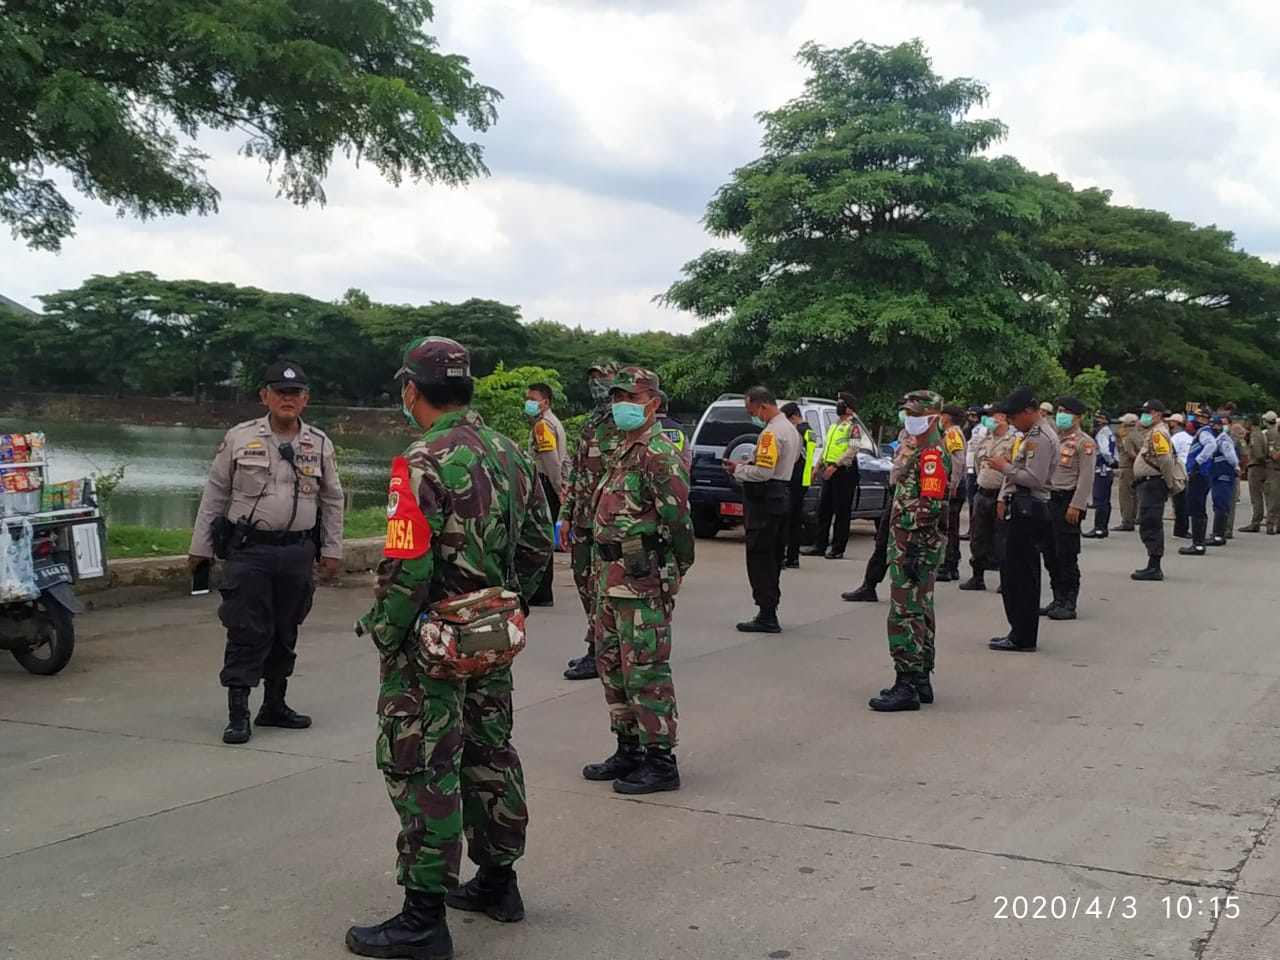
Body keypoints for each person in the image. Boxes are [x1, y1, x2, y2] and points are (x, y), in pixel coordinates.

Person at [346, 338, 553, 959]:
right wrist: (500, 604)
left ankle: (423, 918)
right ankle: (498, 883)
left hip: (431, 645)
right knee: (490, 753)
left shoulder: (420, 461)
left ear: (412, 390)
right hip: (488, 638)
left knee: (423, 765)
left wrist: (386, 631)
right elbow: (542, 542)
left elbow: (406, 567)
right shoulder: (511, 453)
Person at [190, 360, 344, 745]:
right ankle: (238, 712)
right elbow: (215, 494)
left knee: (285, 629)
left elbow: (333, 499)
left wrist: (332, 549)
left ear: (305, 399)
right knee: (246, 628)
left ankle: (274, 704)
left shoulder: (320, 443)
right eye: (280, 393)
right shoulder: (239, 438)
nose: (287, 399)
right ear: (265, 396)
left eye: (295, 394)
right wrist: (201, 549)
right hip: (250, 551)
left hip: (296, 552)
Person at [581, 367, 694, 795]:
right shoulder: (621, 450)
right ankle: (628, 748)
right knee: (612, 666)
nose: (621, 403)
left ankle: (661, 760)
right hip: (609, 578)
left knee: (645, 670)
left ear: (654, 404)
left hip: (643, 580)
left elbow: (679, 523)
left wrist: (671, 572)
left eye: (631, 396)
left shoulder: (658, 454)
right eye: (617, 396)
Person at [868, 391, 950, 712]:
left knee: (905, 613)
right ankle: (920, 680)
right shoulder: (922, 451)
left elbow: (930, 506)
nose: (908, 418)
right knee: (920, 608)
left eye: (915, 413)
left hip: (913, 544)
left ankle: (907, 683)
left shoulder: (931, 455)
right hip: (914, 544)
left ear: (932, 416)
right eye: (907, 412)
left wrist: (912, 542)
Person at [559, 359, 622, 681]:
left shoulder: (623, 422)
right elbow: (578, 473)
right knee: (585, 586)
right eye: (593, 377)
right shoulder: (591, 422)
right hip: (583, 519)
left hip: (608, 523)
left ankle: (601, 652)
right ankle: (599, 647)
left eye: (603, 377)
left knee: (603, 589)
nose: (597, 382)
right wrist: (567, 516)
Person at [986, 387, 1059, 653]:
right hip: (1022, 506)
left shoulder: (1039, 438)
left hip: (1031, 508)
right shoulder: (1031, 435)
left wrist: (1003, 467)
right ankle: (1018, 631)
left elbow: (1035, 478)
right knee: (1013, 572)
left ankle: (1023, 635)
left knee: (1022, 574)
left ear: (1029, 412)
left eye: (1015, 417)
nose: (1012, 423)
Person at [725, 386, 800, 633]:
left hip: (764, 499)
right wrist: (746, 463)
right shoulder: (791, 428)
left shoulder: (770, 433)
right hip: (780, 496)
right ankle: (769, 609)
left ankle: (766, 614)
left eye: (752, 411)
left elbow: (763, 472)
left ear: (763, 406)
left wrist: (738, 470)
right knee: (774, 556)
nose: (753, 416)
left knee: (760, 557)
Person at [841, 423, 913, 603]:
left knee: (909, 546)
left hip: (912, 496)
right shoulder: (905, 433)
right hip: (895, 492)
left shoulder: (926, 438)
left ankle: (910, 592)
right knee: (882, 541)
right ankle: (869, 585)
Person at [1040, 397, 1097, 621]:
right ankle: (1057, 597)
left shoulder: (1085, 443)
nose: (1061, 415)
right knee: (1050, 552)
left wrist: (1077, 505)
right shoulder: (1055, 439)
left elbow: (1086, 477)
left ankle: (1069, 601)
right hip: (1050, 499)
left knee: (1066, 553)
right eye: (1060, 411)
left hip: (1068, 501)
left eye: (1067, 412)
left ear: (1078, 417)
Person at [960, 406, 1015, 591]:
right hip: (982, 493)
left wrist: (1003, 497)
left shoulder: (1014, 441)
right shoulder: (986, 439)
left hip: (1001, 495)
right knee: (978, 537)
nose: (989, 420)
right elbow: (977, 464)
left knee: (1002, 539)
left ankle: (1005, 579)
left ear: (1003, 417)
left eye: (992, 416)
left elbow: (1012, 473)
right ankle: (977, 576)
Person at [801, 392, 861, 560]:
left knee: (841, 512)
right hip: (829, 470)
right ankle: (819, 545)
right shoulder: (834, 426)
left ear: (849, 409)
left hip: (844, 472)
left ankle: (837, 548)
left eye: (841, 403)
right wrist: (818, 465)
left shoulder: (853, 427)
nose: (838, 405)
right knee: (824, 509)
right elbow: (827, 448)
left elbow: (853, 449)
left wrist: (836, 465)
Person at [525, 381, 567, 607]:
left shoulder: (542, 426)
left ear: (545, 402)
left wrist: (558, 487)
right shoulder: (555, 423)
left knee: (539, 538)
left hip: (544, 484)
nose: (528, 403)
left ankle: (541, 592)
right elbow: (564, 458)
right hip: (552, 483)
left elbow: (551, 461)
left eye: (532, 399)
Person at [1131, 400, 1178, 581]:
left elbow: (1165, 459)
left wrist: (1168, 482)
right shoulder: (1153, 431)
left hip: (1153, 484)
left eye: (1147, 412)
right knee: (1148, 521)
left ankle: (1154, 566)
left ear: (1157, 414)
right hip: (1148, 483)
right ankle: (1153, 563)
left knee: (1151, 522)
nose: (1143, 416)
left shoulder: (1158, 433)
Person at [781, 402, 818, 568]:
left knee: (787, 518)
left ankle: (785, 555)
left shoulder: (799, 431)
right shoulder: (809, 431)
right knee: (795, 518)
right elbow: (810, 456)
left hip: (794, 478)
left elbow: (797, 456)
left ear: (793, 417)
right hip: (802, 479)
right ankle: (793, 557)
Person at [937, 404, 968, 581]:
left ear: (947, 417)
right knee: (951, 526)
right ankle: (952, 564)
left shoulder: (952, 434)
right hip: (954, 484)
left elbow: (957, 461)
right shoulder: (952, 433)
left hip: (952, 486)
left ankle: (947, 565)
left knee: (947, 526)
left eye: (942, 416)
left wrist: (953, 484)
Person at [1207, 414, 1240, 547]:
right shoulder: (1217, 438)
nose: (1214, 427)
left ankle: (1219, 535)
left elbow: (1231, 456)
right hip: (1218, 474)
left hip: (1223, 475)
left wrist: (1236, 466)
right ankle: (1217, 533)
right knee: (1218, 504)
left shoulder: (1223, 440)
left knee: (1221, 504)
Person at [1085, 410, 1117, 538]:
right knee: (1105, 500)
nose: (1095, 420)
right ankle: (1103, 527)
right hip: (1106, 470)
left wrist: (1110, 462)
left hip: (1102, 469)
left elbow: (1104, 451)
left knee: (1100, 500)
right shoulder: (1110, 433)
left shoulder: (1102, 434)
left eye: (1099, 418)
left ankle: (1099, 528)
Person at [1113, 413, 1141, 531]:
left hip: (1127, 467)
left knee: (1125, 496)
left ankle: (1127, 521)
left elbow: (1131, 454)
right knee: (1134, 495)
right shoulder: (1139, 434)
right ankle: (1133, 518)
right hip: (1136, 468)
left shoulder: (1127, 436)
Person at [1242, 415, 1269, 533]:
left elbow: (1258, 454)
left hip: (1256, 467)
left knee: (1256, 496)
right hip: (1262, 467)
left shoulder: (1255, 435)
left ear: (1250, 423)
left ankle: (1255, 522)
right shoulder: (1261, 434)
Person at [656, 390, 693, 473]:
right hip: (675, 477)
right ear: (666, 407)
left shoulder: (641, 428)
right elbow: (687, 458)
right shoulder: (678, 428)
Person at [1168, 413, 1191, 538]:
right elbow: (1170, 453)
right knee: (1181, 502)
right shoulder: (1179, 437)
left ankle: (1186, 528)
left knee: (1190, 503)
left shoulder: (1200, 437)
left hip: (1194, 472)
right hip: (1180, 472)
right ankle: (1180, 529)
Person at [1265, 411, 1280, 535]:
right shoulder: (1274, 440)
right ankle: (1270, 525)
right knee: (1274, 500)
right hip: (1276, 472)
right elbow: (1274, 456)